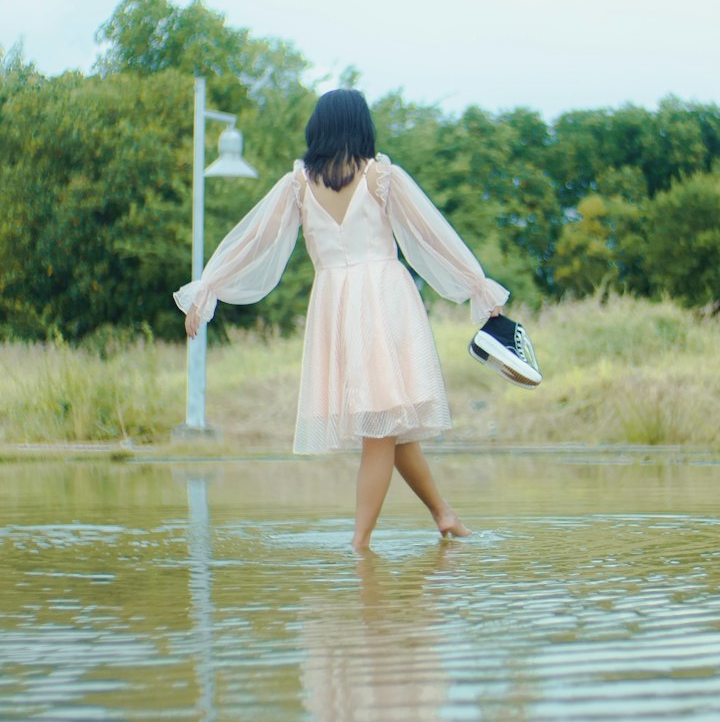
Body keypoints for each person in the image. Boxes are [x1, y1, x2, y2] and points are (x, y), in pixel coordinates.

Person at [174, 88, 507, 551]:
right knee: (382, 426)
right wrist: (479, 285)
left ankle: (422, 521)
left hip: (337, 302)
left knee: (387, 425)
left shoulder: (301, 184)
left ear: (319, 128)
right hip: (381, 301)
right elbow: (432, 237)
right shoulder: (379, 176)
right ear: (361, 126)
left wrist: (207, 286)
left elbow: (252, 242)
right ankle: (368, 541)